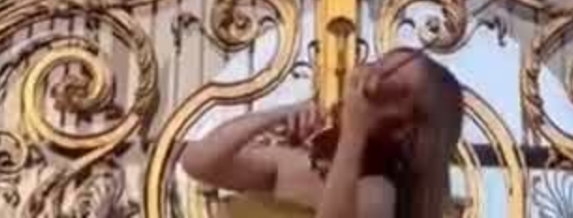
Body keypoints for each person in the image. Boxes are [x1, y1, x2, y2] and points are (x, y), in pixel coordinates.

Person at [179, 49, 464, 218]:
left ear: (408, 128)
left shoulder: (378, 191)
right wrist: (283, 113)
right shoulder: (302, 159)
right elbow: (198, 162)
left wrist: (354, 132)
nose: (370, 80)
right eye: (378, 65)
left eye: (392, 85)